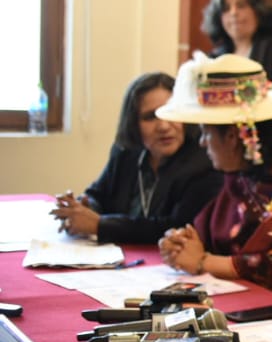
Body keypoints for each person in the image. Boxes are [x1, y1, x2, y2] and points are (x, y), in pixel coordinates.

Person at [156, 54, 272, 294]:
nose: (202, 143)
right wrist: (182, 244)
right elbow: (213, 231)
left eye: (206, 133)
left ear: (232, 137)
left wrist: (203, 262)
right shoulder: (243, 174)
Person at [50, 72, 221, 243]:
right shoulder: (126, 151)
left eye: (171, 113)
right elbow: (98, 194)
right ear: (133, 123)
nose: (163, 126)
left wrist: (100, 225)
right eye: (150, 117)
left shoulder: (203, 161)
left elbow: (176, 227)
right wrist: (83, 208)